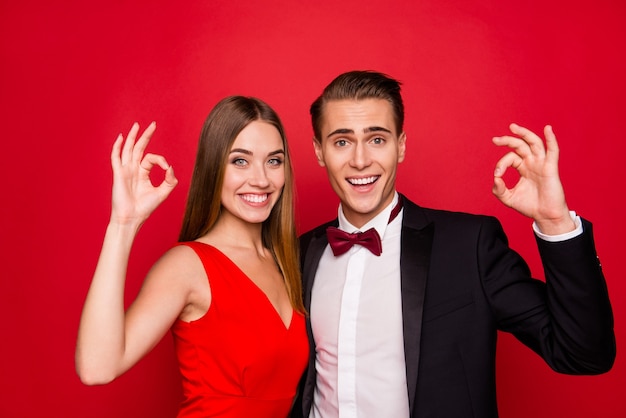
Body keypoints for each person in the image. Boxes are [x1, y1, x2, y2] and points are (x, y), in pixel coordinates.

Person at [293, 71, 615, 418]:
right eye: (342, 141)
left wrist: (555, 222)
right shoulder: (300, 253)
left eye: (377, 140)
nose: (359, 160)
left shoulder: (468, 247)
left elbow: (583, 354)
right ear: (319, 150)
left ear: (400, 145)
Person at [76, 96, 309, 417]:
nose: (261, 179)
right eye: (240, 161)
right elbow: (96, 368)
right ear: (213, 166)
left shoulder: (291, 262)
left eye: (274, 161)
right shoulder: (187, 265)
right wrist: (123, 224)